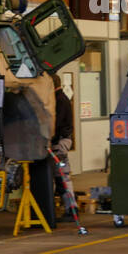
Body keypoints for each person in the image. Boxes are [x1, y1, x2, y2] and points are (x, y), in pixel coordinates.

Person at [52, 82, 77, 218]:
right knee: (62, 176)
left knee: (62, 177)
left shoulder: (59, 100)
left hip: (60, 143)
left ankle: (71, 209)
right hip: (62, 141)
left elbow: (57, 123)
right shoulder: (62, 98)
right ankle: (71, 208)